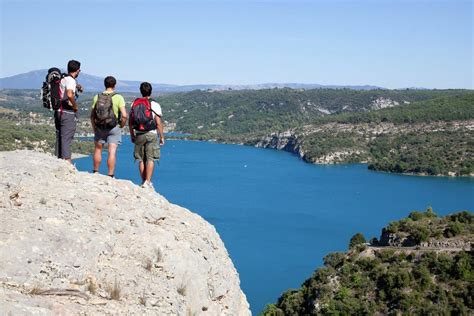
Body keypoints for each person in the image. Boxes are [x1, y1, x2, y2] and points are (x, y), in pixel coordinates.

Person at [129, 82, 165, 189]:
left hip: (139, 134)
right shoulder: (154, 104)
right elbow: (158, 122)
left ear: (141, 91)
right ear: (151, 91)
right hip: (151, 134)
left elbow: (130, 122)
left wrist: (132, 135)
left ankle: (143, 180)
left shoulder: (134, 103)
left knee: (140, 159)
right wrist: (162, 136)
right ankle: (148, 182)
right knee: (150, 158)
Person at [90, 76, 127, 177]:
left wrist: (94, 127)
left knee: (98, 149)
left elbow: (92, 115)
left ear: (104, 84)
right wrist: (121, 126)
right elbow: (124, 115)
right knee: (112, 151)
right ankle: (110, 174)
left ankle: (95, 171)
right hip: (113, 127)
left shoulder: (97, 97)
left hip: (99, 126)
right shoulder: (118, 97)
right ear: (114, 85)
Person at [55, 59, 83, 164]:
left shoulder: (63, 79)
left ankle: (58, 160)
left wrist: (78, 86)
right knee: (66, 138)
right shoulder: (71, 80)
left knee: (60, 138)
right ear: (77, 70)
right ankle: (67, 164)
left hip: (58, 111)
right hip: (67, 113)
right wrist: (75, 107)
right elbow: (70, 94)